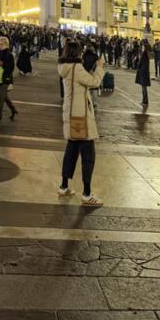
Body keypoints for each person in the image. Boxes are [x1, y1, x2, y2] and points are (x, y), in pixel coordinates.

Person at [58, 39, 103, 206]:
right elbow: (94, 82)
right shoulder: (77, 68)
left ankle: (64, 186)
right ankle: (87, 192)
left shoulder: (64, 68)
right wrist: (99, 67)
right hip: (81, 116)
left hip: (70, 114)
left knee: (71, 151)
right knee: (88, 155)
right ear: (77, 53)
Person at [0, 36, 17, 127]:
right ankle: (13, 110)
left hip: (5, 79)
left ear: (5, 44)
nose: (0, 45)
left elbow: (11, 68)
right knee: (5, 97)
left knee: (1, 98)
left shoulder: (9, 55)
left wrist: (3, 64)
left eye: (1, 44)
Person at [135, 40, 151, 108]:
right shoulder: (146, 52)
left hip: (143, 71)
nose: (141, 46)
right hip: (144, 71)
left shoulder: (145, 53)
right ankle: (144, 101)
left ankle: (145, 101)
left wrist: (139, 68)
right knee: (143, 87)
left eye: (142, 45)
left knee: (144, 87)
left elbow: (141, 62)